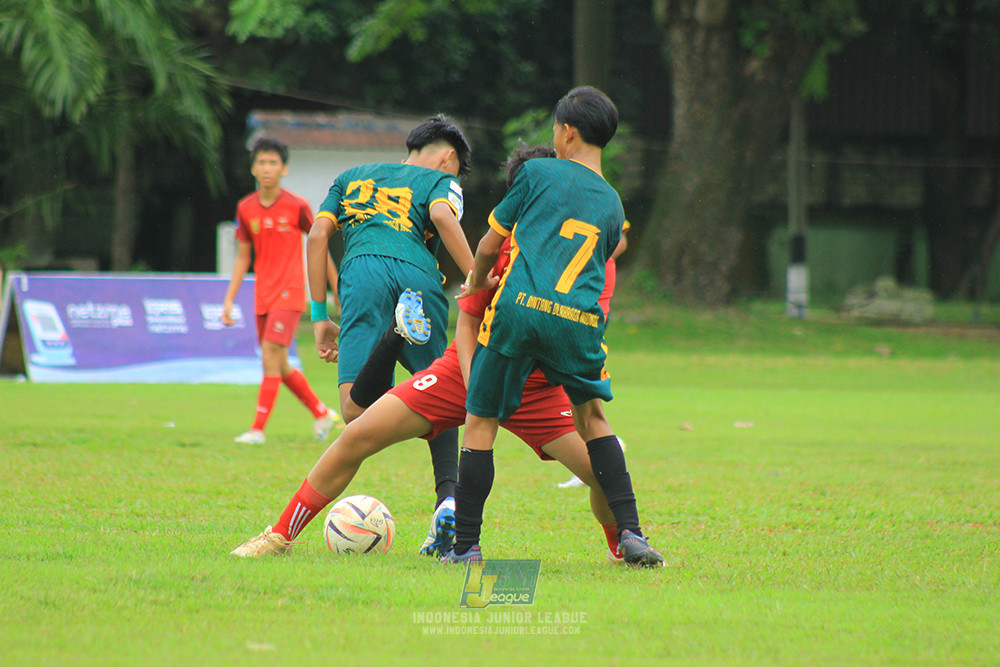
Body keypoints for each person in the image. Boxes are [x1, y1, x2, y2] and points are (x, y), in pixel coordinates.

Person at [231, 145, 626, 563]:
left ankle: (620, 544)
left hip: (537, 389)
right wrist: (478, 384)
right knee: (356, 434)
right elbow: (469, 318)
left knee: (603, 476)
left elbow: (578, 338)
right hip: (466, 370)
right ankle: (279, 535)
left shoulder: (586, 260)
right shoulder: (500, 245)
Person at [445, 87, 663, 567]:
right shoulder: (613, 205)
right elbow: (600, 257)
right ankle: (632, 533)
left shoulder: (537, 172)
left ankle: (466, 548)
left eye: (554, 131)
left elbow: (486, 247)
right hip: (578, 322)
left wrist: (477, 281)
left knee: (481, 423)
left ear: (568, 131)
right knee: (594, 421)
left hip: (519, 310)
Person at [305, 115, 475, 535]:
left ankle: (394, 336)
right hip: (421, 275)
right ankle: (448, 500)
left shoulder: (351, 176)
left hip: (361, 273)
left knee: (353, 410)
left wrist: (318, 316)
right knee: (444, 394)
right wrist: (476, 279)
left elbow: (316, 237)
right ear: (448, 158)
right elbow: (441, 216)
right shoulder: (440, 181)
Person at [222, 136, 341, 445]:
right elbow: (243, 257)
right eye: (261, 162)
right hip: (263, 294)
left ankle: (257, 429)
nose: (267, 168)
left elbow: (319, 245)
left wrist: (336, 287)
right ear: (252, 168)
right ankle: (321, 413)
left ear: (284, 168)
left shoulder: (297, 205)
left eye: (273, 162)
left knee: (272, 357)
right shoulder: (245, 208)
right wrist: (229, 299)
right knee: (279, 363)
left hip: (289, 294)